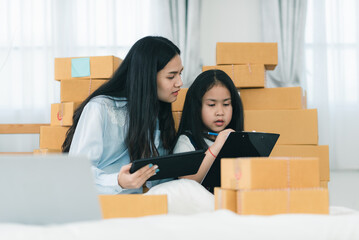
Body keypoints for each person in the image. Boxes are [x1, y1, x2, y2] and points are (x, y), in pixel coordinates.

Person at [62, 36, 184, 194]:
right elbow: (76, 173)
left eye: (180, 74)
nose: (180, 82)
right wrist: (118, 181)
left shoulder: (158, 112)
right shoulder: (100, 108)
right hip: (102, 203)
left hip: (143, 203)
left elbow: (157, 177)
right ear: (146, 76)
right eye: (171, 76)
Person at [172, 69, 244, 189]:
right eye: (211, 105)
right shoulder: (186, 142)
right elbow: (187, 181)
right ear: (196, 107)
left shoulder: (236, 139)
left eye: (226, 104)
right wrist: (216, 147)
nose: (220, 112)